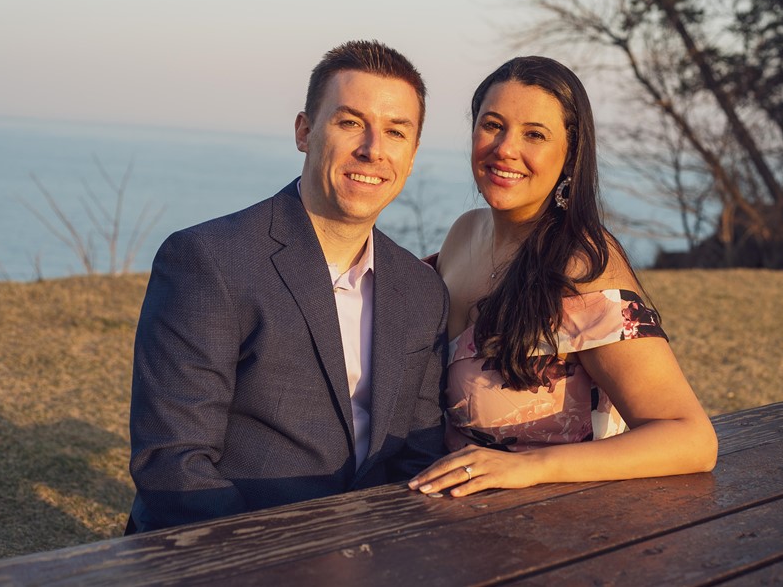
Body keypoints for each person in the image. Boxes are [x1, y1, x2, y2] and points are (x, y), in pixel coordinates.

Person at [127, 40, 449, 533]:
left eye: (395, 132)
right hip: (228, 555)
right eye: (349, 123)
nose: (373, 149)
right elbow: (174, 464)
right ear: (304, 131)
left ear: (412, 155)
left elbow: (416, 460)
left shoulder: (421, 290)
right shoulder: (208, 260)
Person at [408, 56, 717, 497]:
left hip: (556, 531)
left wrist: (531, 467)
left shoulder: (582, 268)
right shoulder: (464, 233)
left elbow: (691, 438)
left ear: (571, 154)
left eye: (534, 134)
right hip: (447, 520)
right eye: (492, 125)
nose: (505, 148)